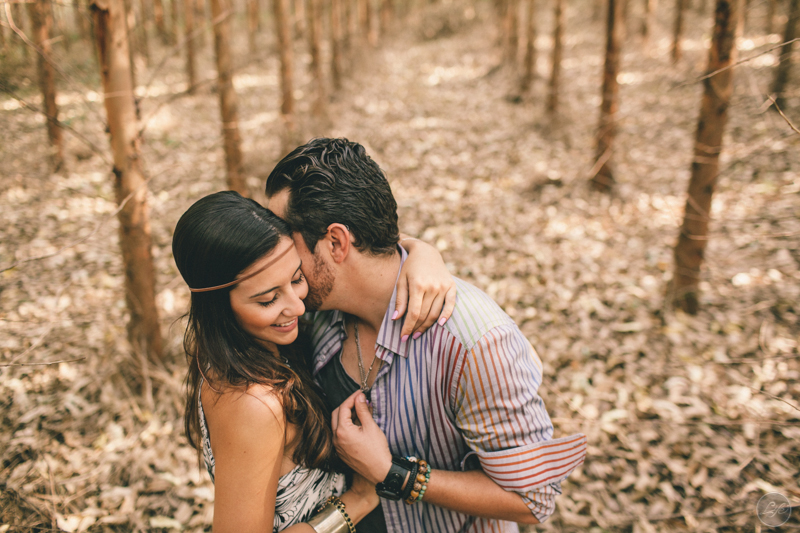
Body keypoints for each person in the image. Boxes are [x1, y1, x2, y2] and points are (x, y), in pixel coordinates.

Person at [265, 138, 588, 532]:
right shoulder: (307, 313)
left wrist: (394, 474)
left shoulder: (474, 342)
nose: (273, 251)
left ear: (336, 242)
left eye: (284, 237)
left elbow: (533, 498)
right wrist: (420, 249)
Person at [172, 191, 454, 533]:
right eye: (268, 299)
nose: (297, 306)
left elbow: (365, 250)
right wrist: (358, 500)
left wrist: (423, 253)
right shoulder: (254, 403)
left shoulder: (242, 349)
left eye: (296, 278)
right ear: (220, 307)